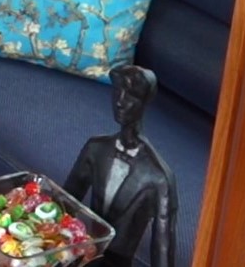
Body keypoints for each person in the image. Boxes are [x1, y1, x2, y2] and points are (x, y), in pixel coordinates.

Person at [64, 64, 178, 267]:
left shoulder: (158, 177)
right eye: (117, 91)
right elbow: (64, 204)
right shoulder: (95, 148)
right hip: (82, 254)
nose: (120, 101)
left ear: (144, 102)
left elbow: (162, 250)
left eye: (131, 96)